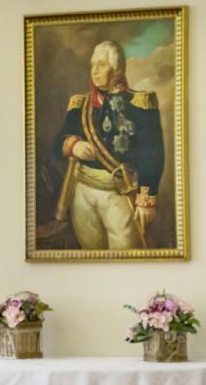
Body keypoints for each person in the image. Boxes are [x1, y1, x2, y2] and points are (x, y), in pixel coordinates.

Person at [51, 40, 164, 249]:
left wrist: (146, 200)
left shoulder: (139, 105)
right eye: (92, 65)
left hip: (119, 193)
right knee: (91, 253)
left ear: (117, 69)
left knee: (125, 254)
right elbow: (57, 146)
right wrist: (73, 145)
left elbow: (152, 155)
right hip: (83, 193)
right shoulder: (80, 106)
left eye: (101, 65)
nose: (94, 71)